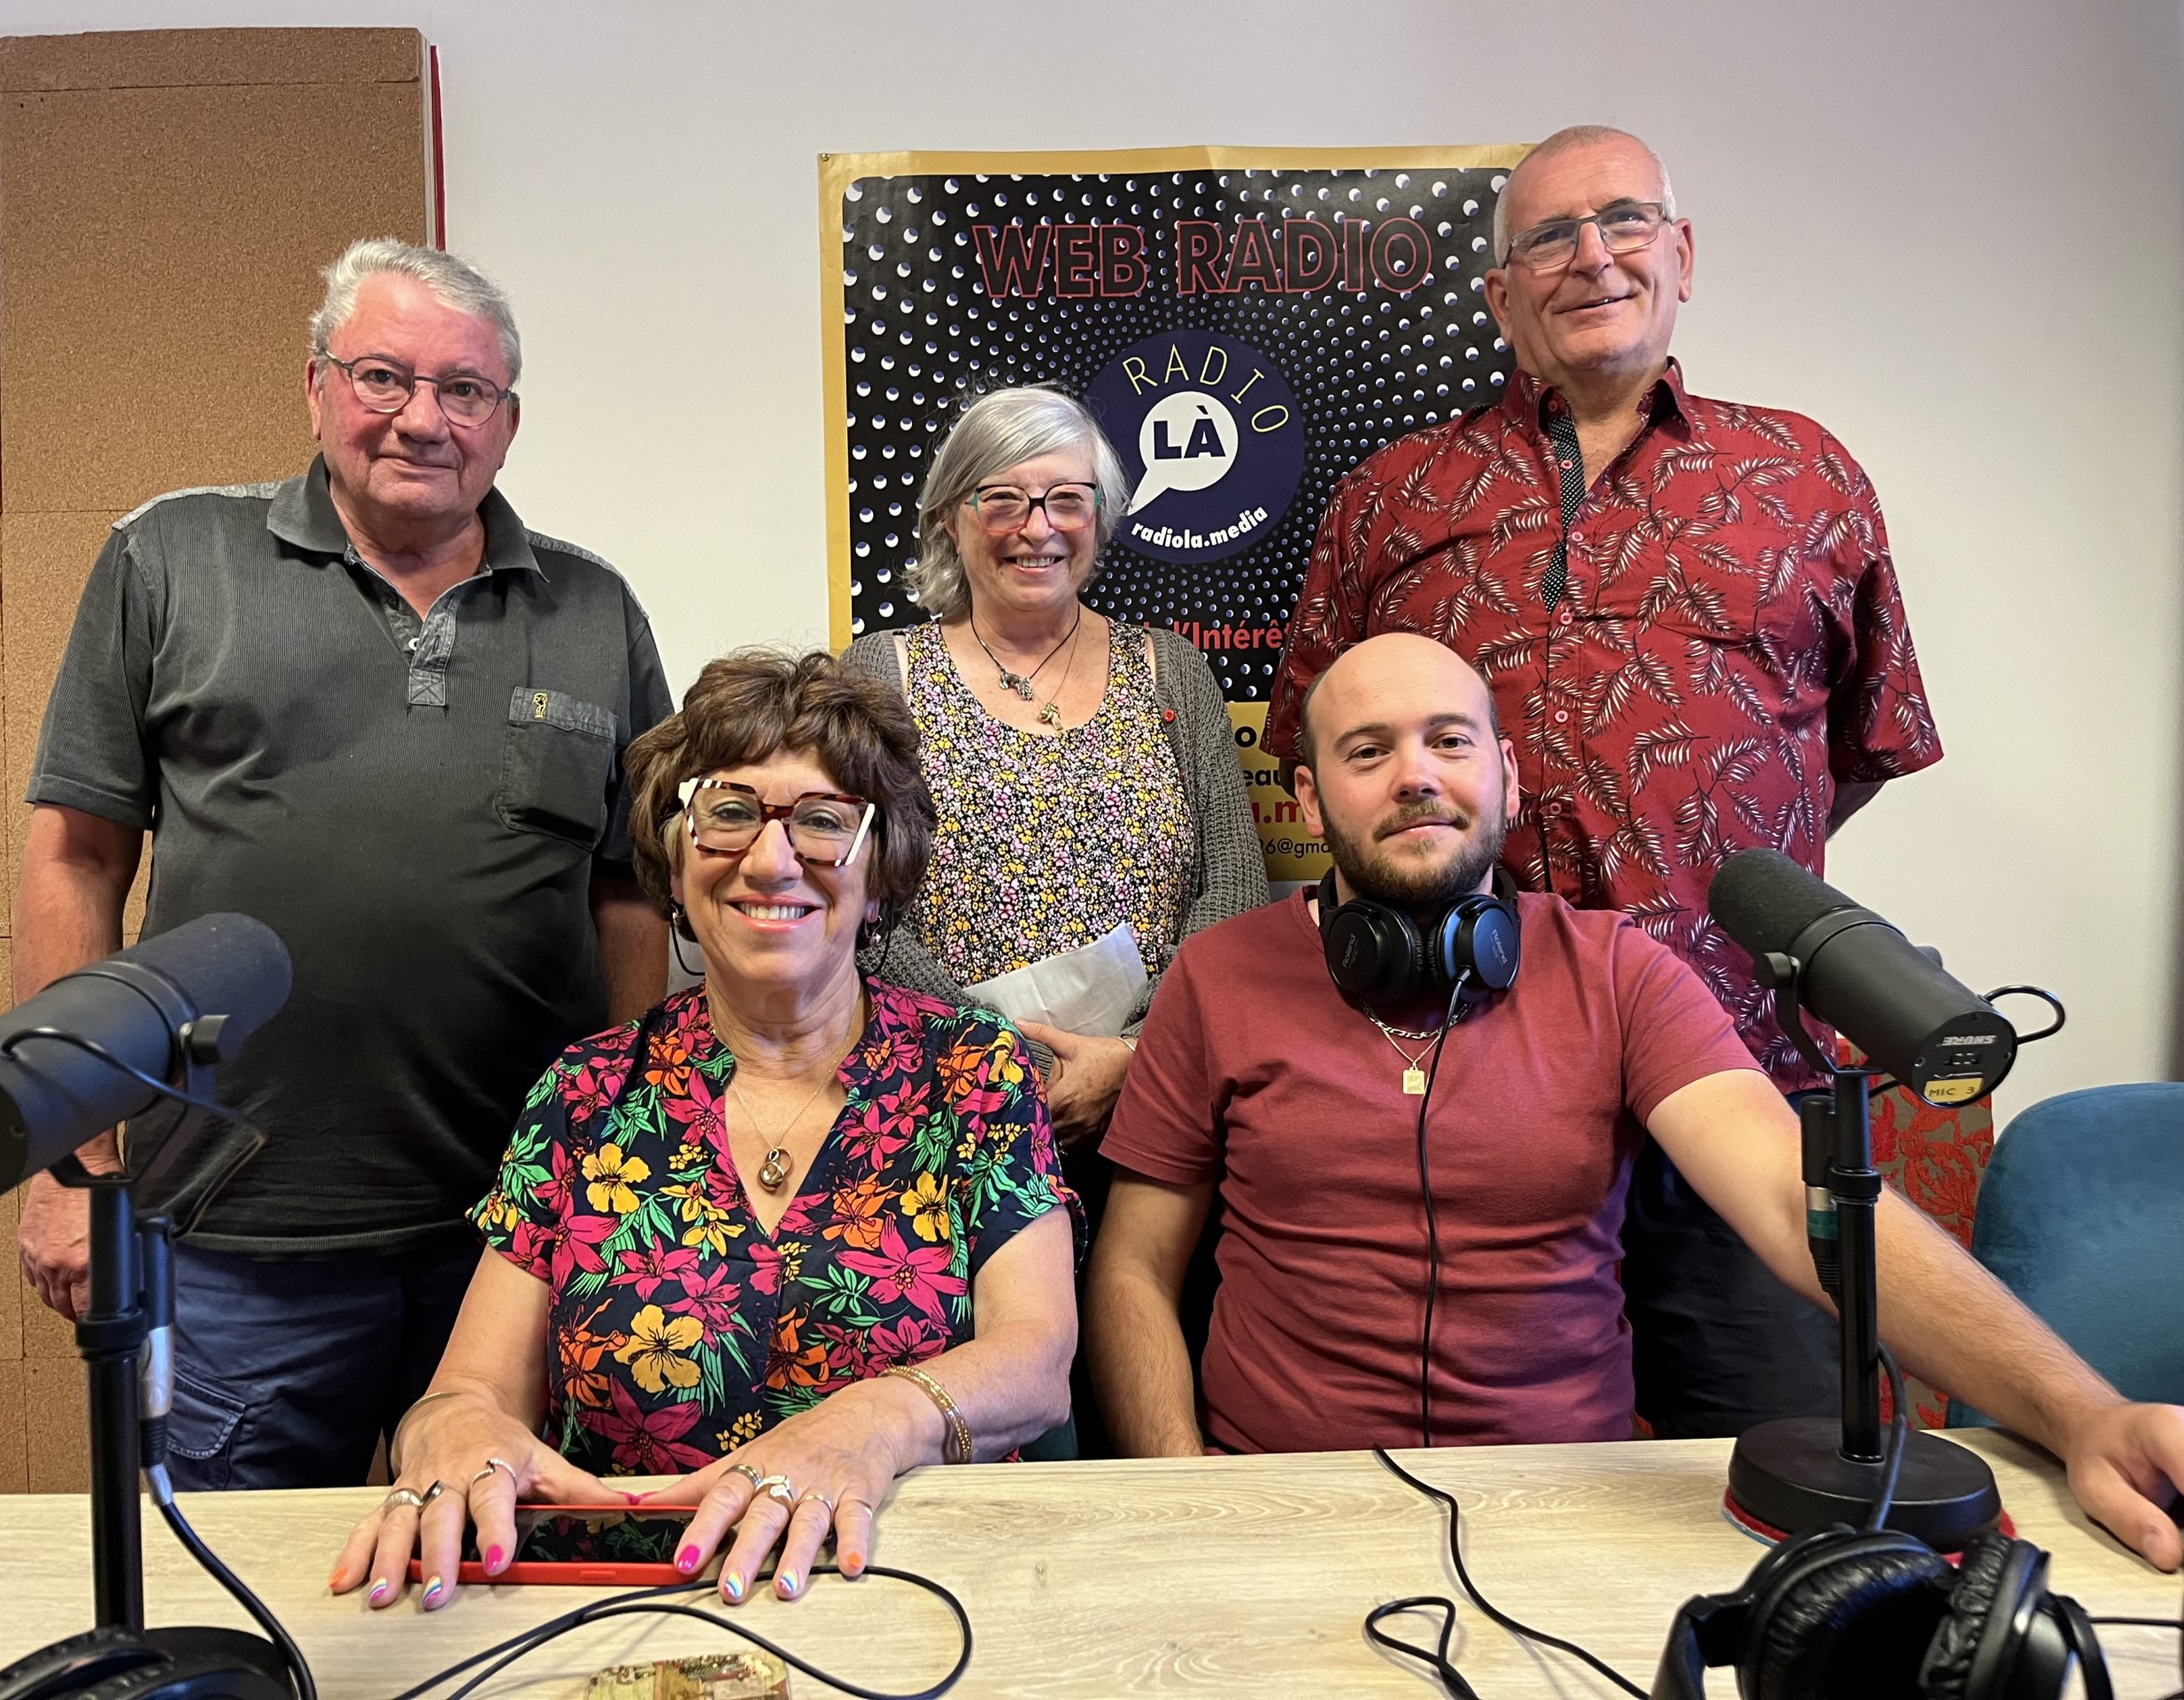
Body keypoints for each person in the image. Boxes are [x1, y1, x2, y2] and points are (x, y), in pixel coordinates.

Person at [1090, 633, 2184, 1573]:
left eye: (1449, 740)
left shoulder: (1618, 972)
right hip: (1277, 1509)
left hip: (1570, 1515)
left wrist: (2082, 1413)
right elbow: (1137, 1267)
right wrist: (1186, 1501)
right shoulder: (1217, 978)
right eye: (1367, 752)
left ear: (1507, 778)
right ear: (1310, 794)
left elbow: (1794, 1199)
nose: (1414, 774)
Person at [1262, 127, 1942, 1440]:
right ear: (1500, 293)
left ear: (1681, 255)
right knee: (1477, 1499)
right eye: (1547, 240)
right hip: (1468, 1097)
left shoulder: (1805, 478)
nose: (1592, 259)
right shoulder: (1390, 499)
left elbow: (1859, 747)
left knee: (1781, 1485)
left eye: (1625, 222)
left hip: (1743, 1079)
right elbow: (1319, 757)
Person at [18, 237, 672, 1488]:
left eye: (463, 390)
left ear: (508, 420)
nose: (423, 419)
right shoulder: (172, 560)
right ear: (316, 386)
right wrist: (72, 1161)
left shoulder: (595, 612)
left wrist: (626, 1161)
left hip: (519, 1235)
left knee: (506, 1586)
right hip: (231, 1238)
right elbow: (77, 859)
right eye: (384, 377)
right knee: (232, 1602)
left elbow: (628, 890)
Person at [334, 651, 1078, 1611]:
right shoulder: (587, 1091)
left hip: (906, 1587)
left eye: (822, 822)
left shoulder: (972, 1068)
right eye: (727, 813)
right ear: (675, 867)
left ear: (882, 871)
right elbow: (469, 1390)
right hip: (624, 1594)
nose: (771, 861)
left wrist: (871, 1422)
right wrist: (445, 1431)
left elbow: (1038, 1362)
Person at [841, 386, 1264, 1158]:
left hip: (1156, 1102)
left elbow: (1233, 889)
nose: (1038, 529)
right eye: (1002, 500)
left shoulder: (1172, 669)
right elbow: (852, 897)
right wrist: (1009, 1068)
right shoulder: (881, 674)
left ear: (1099, 516)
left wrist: (1132, 1056)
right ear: (949, 518)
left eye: (1067, 500)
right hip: (943, 1109)